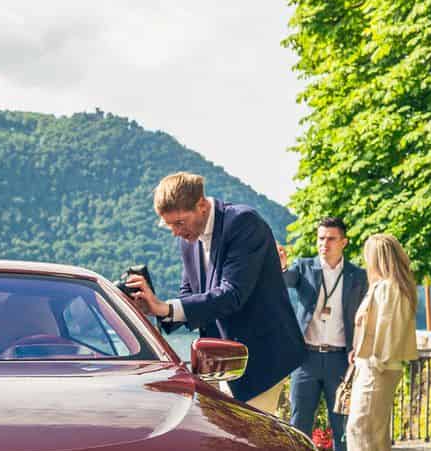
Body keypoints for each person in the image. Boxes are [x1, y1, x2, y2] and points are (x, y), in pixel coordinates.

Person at [124, 172, 304, 413]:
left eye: (179, 223)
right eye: (169, 225)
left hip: (262, 359)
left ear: (201, 205)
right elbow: (189, 294)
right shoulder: (188, 239)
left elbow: (232, 294)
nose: (175, 232)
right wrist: (154, 308)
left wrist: (165, 308)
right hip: (221, 364)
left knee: (247, 433)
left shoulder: (244, 222)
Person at [283, 217, 369, 451]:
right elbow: (285, 280)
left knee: (342, 426)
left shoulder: (357, 276)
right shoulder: (304, 267)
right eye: (321, 238)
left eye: (331, 239)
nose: (324, 244)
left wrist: (360, 348)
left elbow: (365, 317)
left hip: (340, 361)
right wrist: (280, 267)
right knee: (299, 425)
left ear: (344, 242)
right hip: (305, 358)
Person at [343, 233, 418, 451]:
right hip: (378, 366)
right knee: (374, 431)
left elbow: (387, 332)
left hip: (377, 368)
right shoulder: (390, 287)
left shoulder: (387, 289)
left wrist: (374, 360)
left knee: (360, 428)